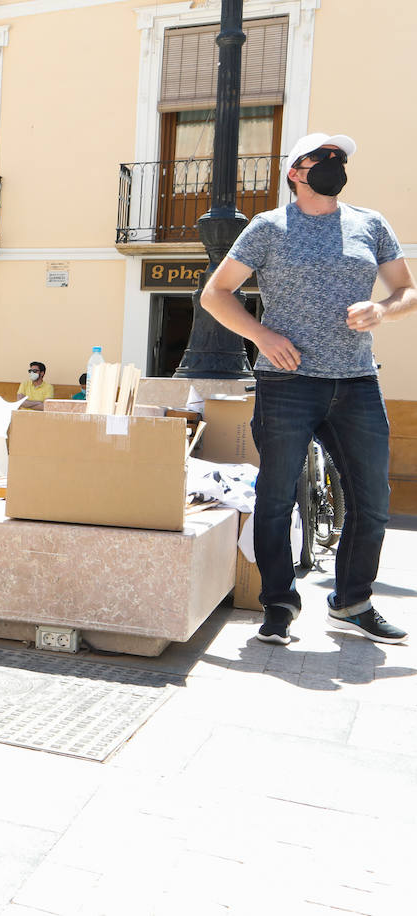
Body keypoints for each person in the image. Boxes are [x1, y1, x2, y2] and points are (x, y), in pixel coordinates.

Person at [201, 132, 417, 646]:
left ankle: (352, 602)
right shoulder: (268, 228)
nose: (335, 164)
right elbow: (216, 294)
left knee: (373, 501)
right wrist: (263, 335)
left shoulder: (371, 223)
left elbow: (406, 290)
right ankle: (278, 603)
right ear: (296, 171)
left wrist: (383, 310)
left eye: (341, 159)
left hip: (357, 382)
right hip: (287, 384)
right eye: (323, 158)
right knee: (275, 500)